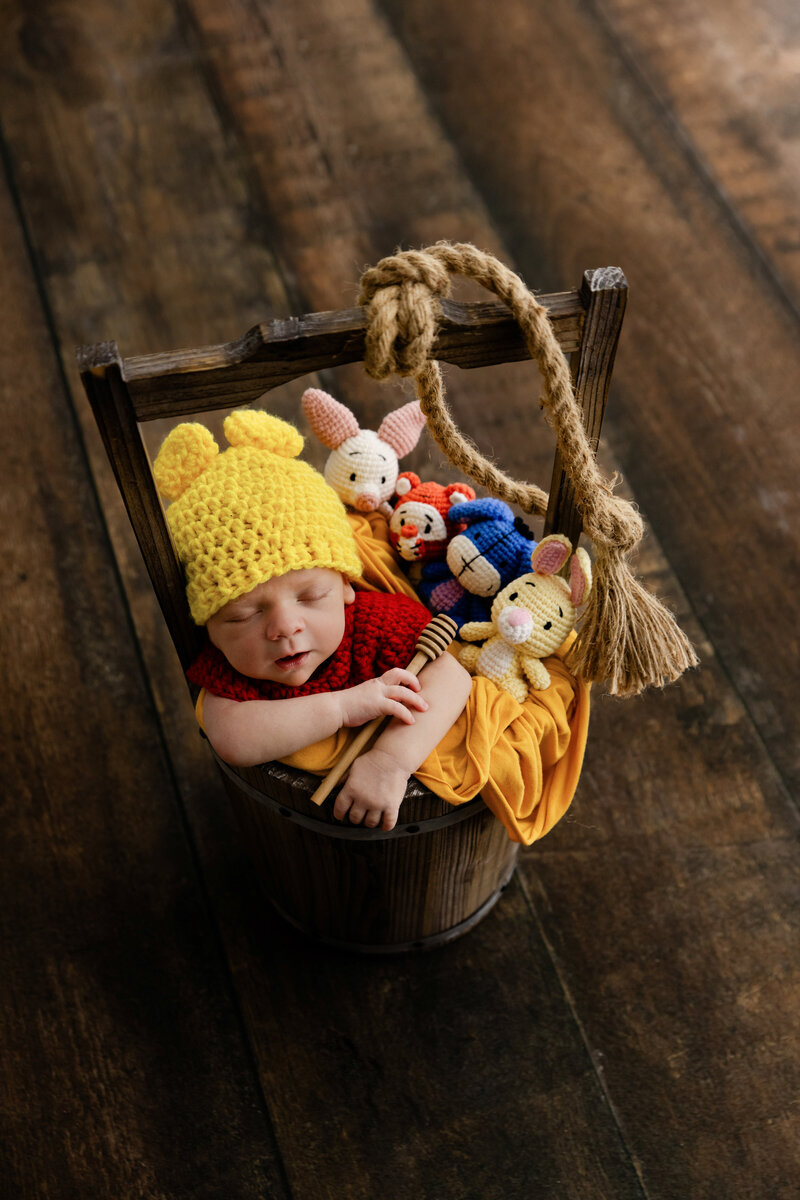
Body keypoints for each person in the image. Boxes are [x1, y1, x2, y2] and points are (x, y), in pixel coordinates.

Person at [153, 408, 472, 832]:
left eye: (310, 596)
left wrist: (391, 761)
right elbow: (229, 737)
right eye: (243, 615)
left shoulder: (373, 624)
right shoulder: (235, 674)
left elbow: (453, 678)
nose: (284, 627)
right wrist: (341, 707)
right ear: (208, 626)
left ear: (344, 586)